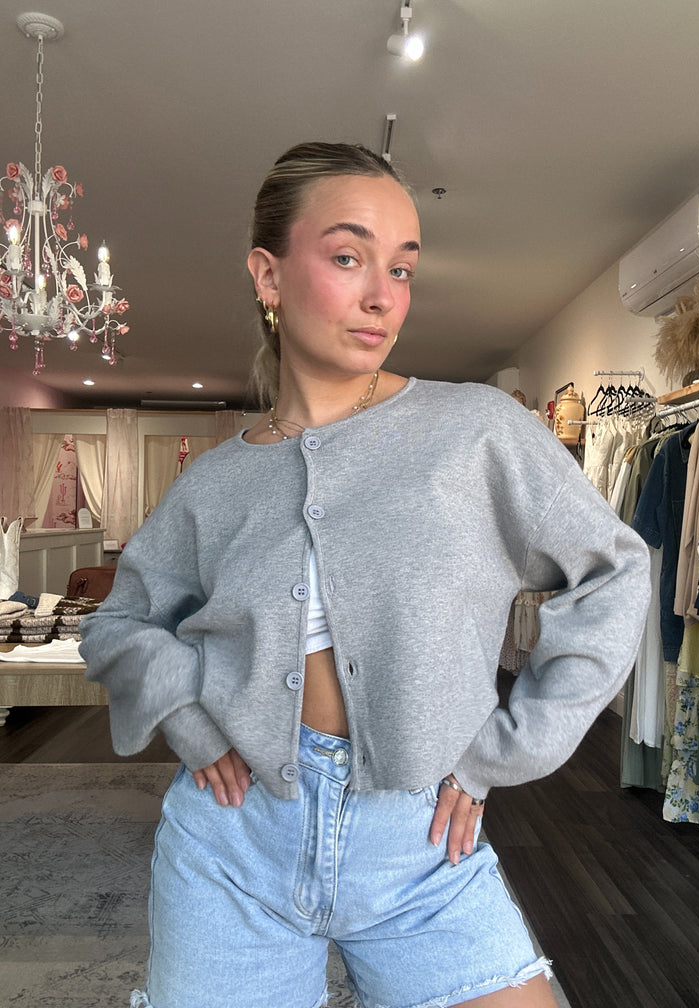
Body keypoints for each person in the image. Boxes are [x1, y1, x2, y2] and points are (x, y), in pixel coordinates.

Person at [80, 141, 651, 1008]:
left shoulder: (478, 432)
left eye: (403, 268)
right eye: (348, 258)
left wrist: (502, 751)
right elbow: (119, 622)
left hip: (420, 839)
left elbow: (615, 571)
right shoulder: (213, 484)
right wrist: (193, 724)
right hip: (233, 845)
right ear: (268, 276)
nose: (383, 295)